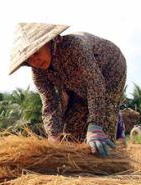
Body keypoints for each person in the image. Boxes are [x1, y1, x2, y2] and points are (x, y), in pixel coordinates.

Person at [9, 23, 127, 157]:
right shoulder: (38, 72)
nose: (35, 61)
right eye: (29, 59)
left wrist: (95, 126)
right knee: (72, 132)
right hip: (77, 85)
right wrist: (54, 136)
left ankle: (109, 163)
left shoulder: (74, 46)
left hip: (109, 69)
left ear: (50, 42)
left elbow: (95, 84)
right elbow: (50, 104)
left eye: (36, 53)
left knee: (101, 128)